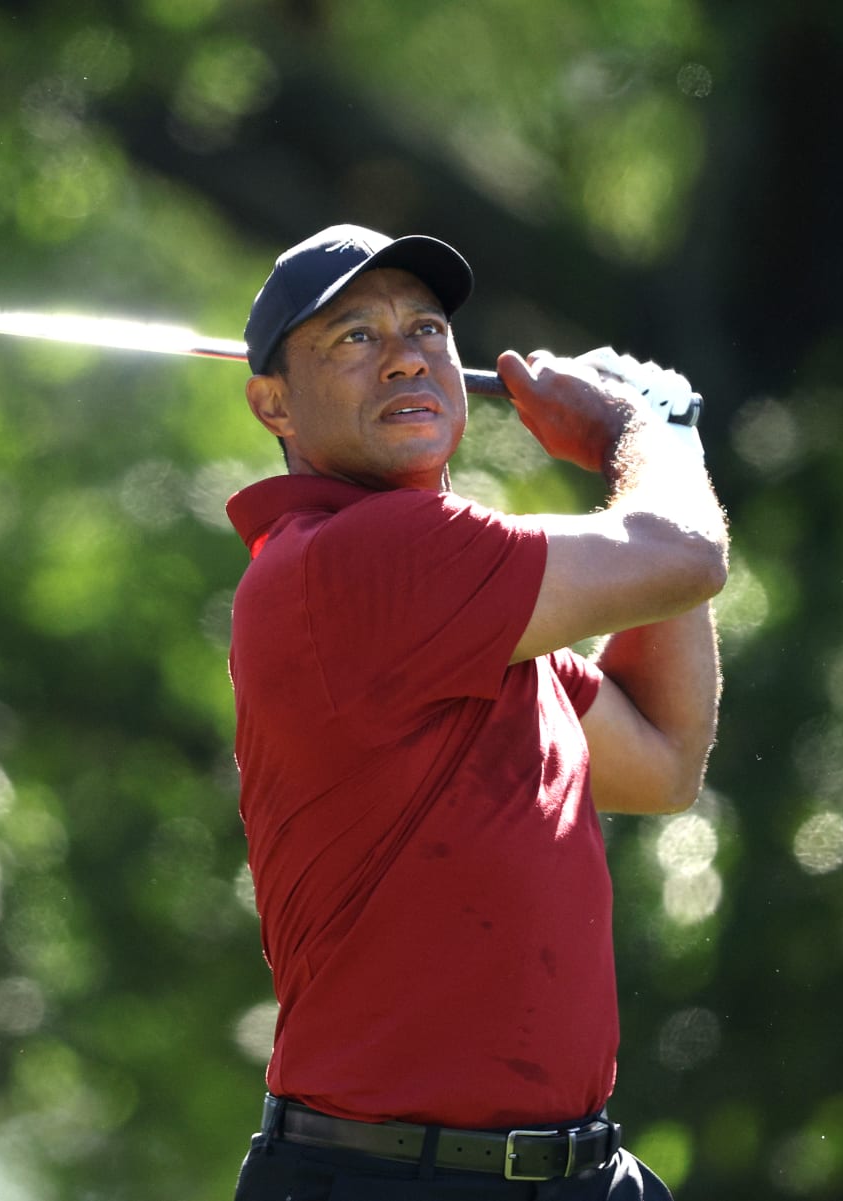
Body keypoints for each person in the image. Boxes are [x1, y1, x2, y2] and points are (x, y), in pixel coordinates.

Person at [225, 224, 728, 1200]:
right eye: (354, 336)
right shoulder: (353, 562)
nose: (406, 355)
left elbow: (664, 755)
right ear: (272, 402)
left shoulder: (477, 615)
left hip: (577, 1172)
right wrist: (648, 434)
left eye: (426, 328)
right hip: (385, 1179)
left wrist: (647, 445)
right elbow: (685, 554)